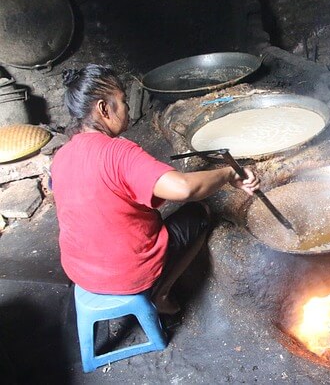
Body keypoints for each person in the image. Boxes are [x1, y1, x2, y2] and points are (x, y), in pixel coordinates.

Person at [50, 64, 259, 315]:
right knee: (200, 211)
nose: (127, 108)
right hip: (126, 275)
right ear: (104, 108)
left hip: (80, 271)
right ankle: (161, 292)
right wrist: (228, 172)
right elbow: (184, 188)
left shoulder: (62, 155)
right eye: (123, 101)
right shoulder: (117, 153)